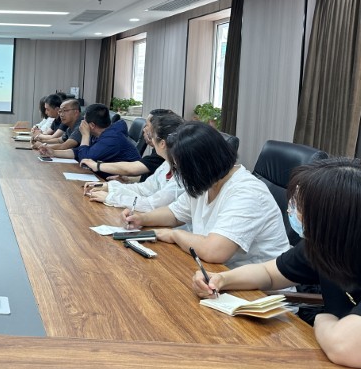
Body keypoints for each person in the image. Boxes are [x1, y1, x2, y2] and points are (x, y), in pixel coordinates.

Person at [192, 157, 361, 368]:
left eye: (300, 207)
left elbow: (343, 347)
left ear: (333, 220)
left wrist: (323, 319)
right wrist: (222, 279)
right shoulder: (323, 245)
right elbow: (269, 273)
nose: (292, 212)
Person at [123, 121, 289, 268]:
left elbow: (214, 251)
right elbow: (175, 213)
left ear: (200, 166)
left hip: (256, 288)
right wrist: (142, 219)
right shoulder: (208, 181)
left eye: (181, 168)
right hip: (215, 274)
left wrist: (174, 234)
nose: (179, 174)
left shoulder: (247, 193)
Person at [85, 112, 184, 211]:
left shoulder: (182, 174)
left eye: (152, 134)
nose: (147, 133)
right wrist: (110, 187)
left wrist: (110, 197)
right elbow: (144, 189)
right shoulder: (167, 164)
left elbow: (152, 205)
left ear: (162, 144)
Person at [40, 103, 139, 163]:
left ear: (91, 125)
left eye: (84, 120)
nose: (82, 123)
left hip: (123, 183)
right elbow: (78, 152)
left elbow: (85, 159)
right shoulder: (99, 134)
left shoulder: (112, 138)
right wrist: (54, 152)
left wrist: (85, 135)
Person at [91, 108, 171, 181]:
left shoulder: (163, 153)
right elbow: (151, 181)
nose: (144, 129)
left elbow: (131, 169)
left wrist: (97, 166)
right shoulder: (158, 151)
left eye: (147, 125)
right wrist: (128, 180)